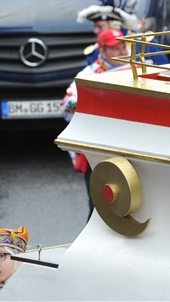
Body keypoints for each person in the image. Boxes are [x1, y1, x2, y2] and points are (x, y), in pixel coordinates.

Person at [61, 27, 132, 216]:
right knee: (100, 205)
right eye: (115, 48)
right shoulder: (89, 75)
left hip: (132, 146)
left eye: (123, 47)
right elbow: (67, 103)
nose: (121, 52)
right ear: (102, 51)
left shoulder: (139, 68)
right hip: (99, 149)